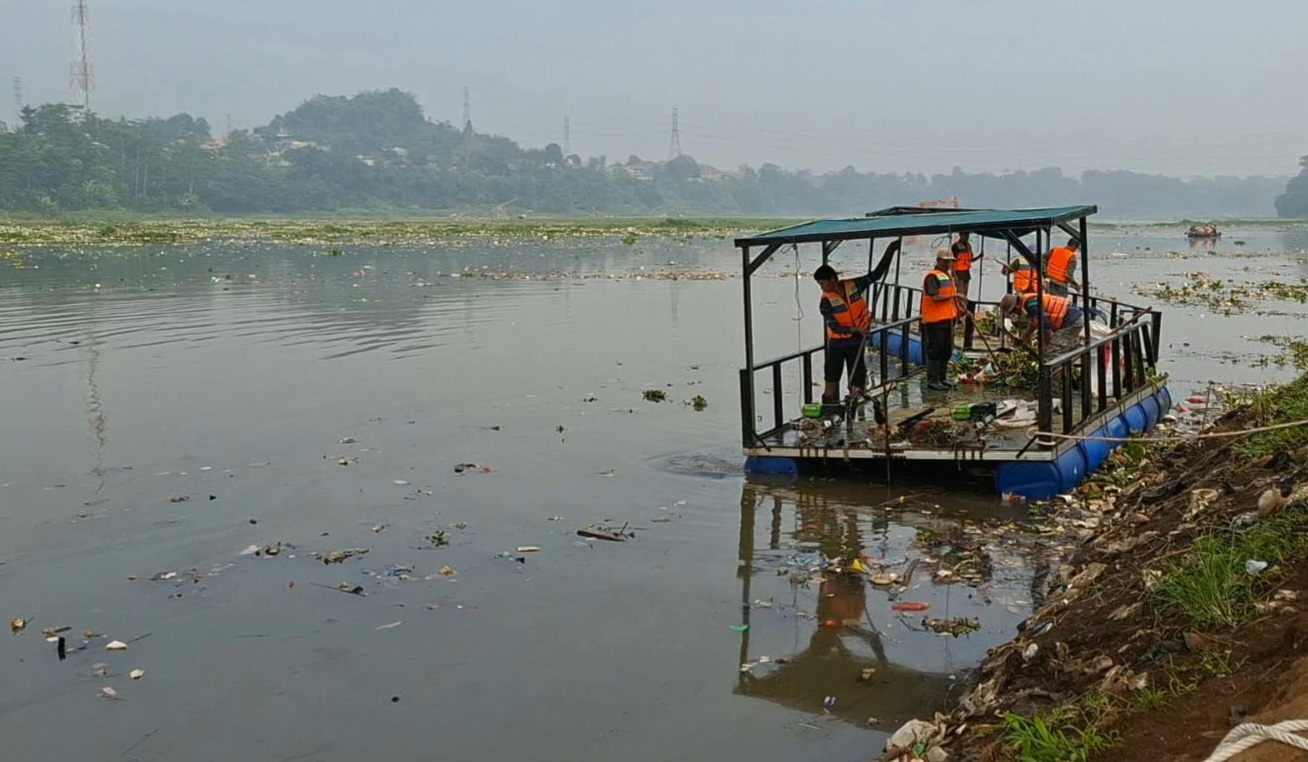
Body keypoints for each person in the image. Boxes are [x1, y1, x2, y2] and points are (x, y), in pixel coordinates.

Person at [813, 240, 901, 407]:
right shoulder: (825, 302)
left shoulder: (853, 285)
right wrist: (856, 329)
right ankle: (829, 411)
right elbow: (834, 326)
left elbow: (876, 274)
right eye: (819, 285)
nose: (822, 288)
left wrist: (890, 251)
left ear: (833, 279)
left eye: (823, 283)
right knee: (831, 381)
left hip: (856, 343)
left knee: (857, 382)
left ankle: (852, 409)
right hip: (837, 344)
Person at [921, 249, 963, 391]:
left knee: (946, 350)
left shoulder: (948, 276)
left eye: (950, 261)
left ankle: (942, 378)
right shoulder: (932, 277)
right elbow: (935, 297)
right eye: (945, 261)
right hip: (935, 320)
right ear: (938, 261)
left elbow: (951, 297)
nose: (948, 264)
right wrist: (954, 296)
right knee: (935, 350)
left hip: (948, 319)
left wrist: (962, 310)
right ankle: (932, 380)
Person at [1000, 291, 1084, 356]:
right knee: (1055, 349)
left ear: (1017, 306)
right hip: (1070, 318)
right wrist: (1023, 338)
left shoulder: (1031, 304)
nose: (1015, 313)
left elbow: (1045, 324)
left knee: (1053, 353)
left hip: (1071, 320)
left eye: (1013, 311)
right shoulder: (1027, 304)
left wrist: (1048, 344)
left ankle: (1056, 377)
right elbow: (1034, 324)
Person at [950, 232, 981, 299]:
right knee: (960, 294)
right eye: (965, 235)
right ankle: (959, 307)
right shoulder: (955, 246)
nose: (967, 237)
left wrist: (979, 256)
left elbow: (970, 259)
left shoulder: (968, 246)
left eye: (968, 235)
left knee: (965, 294)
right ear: (960, 235)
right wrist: (954, 276)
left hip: (966, 272)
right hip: (958, 272)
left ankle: (964, 306)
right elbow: (952, 261)